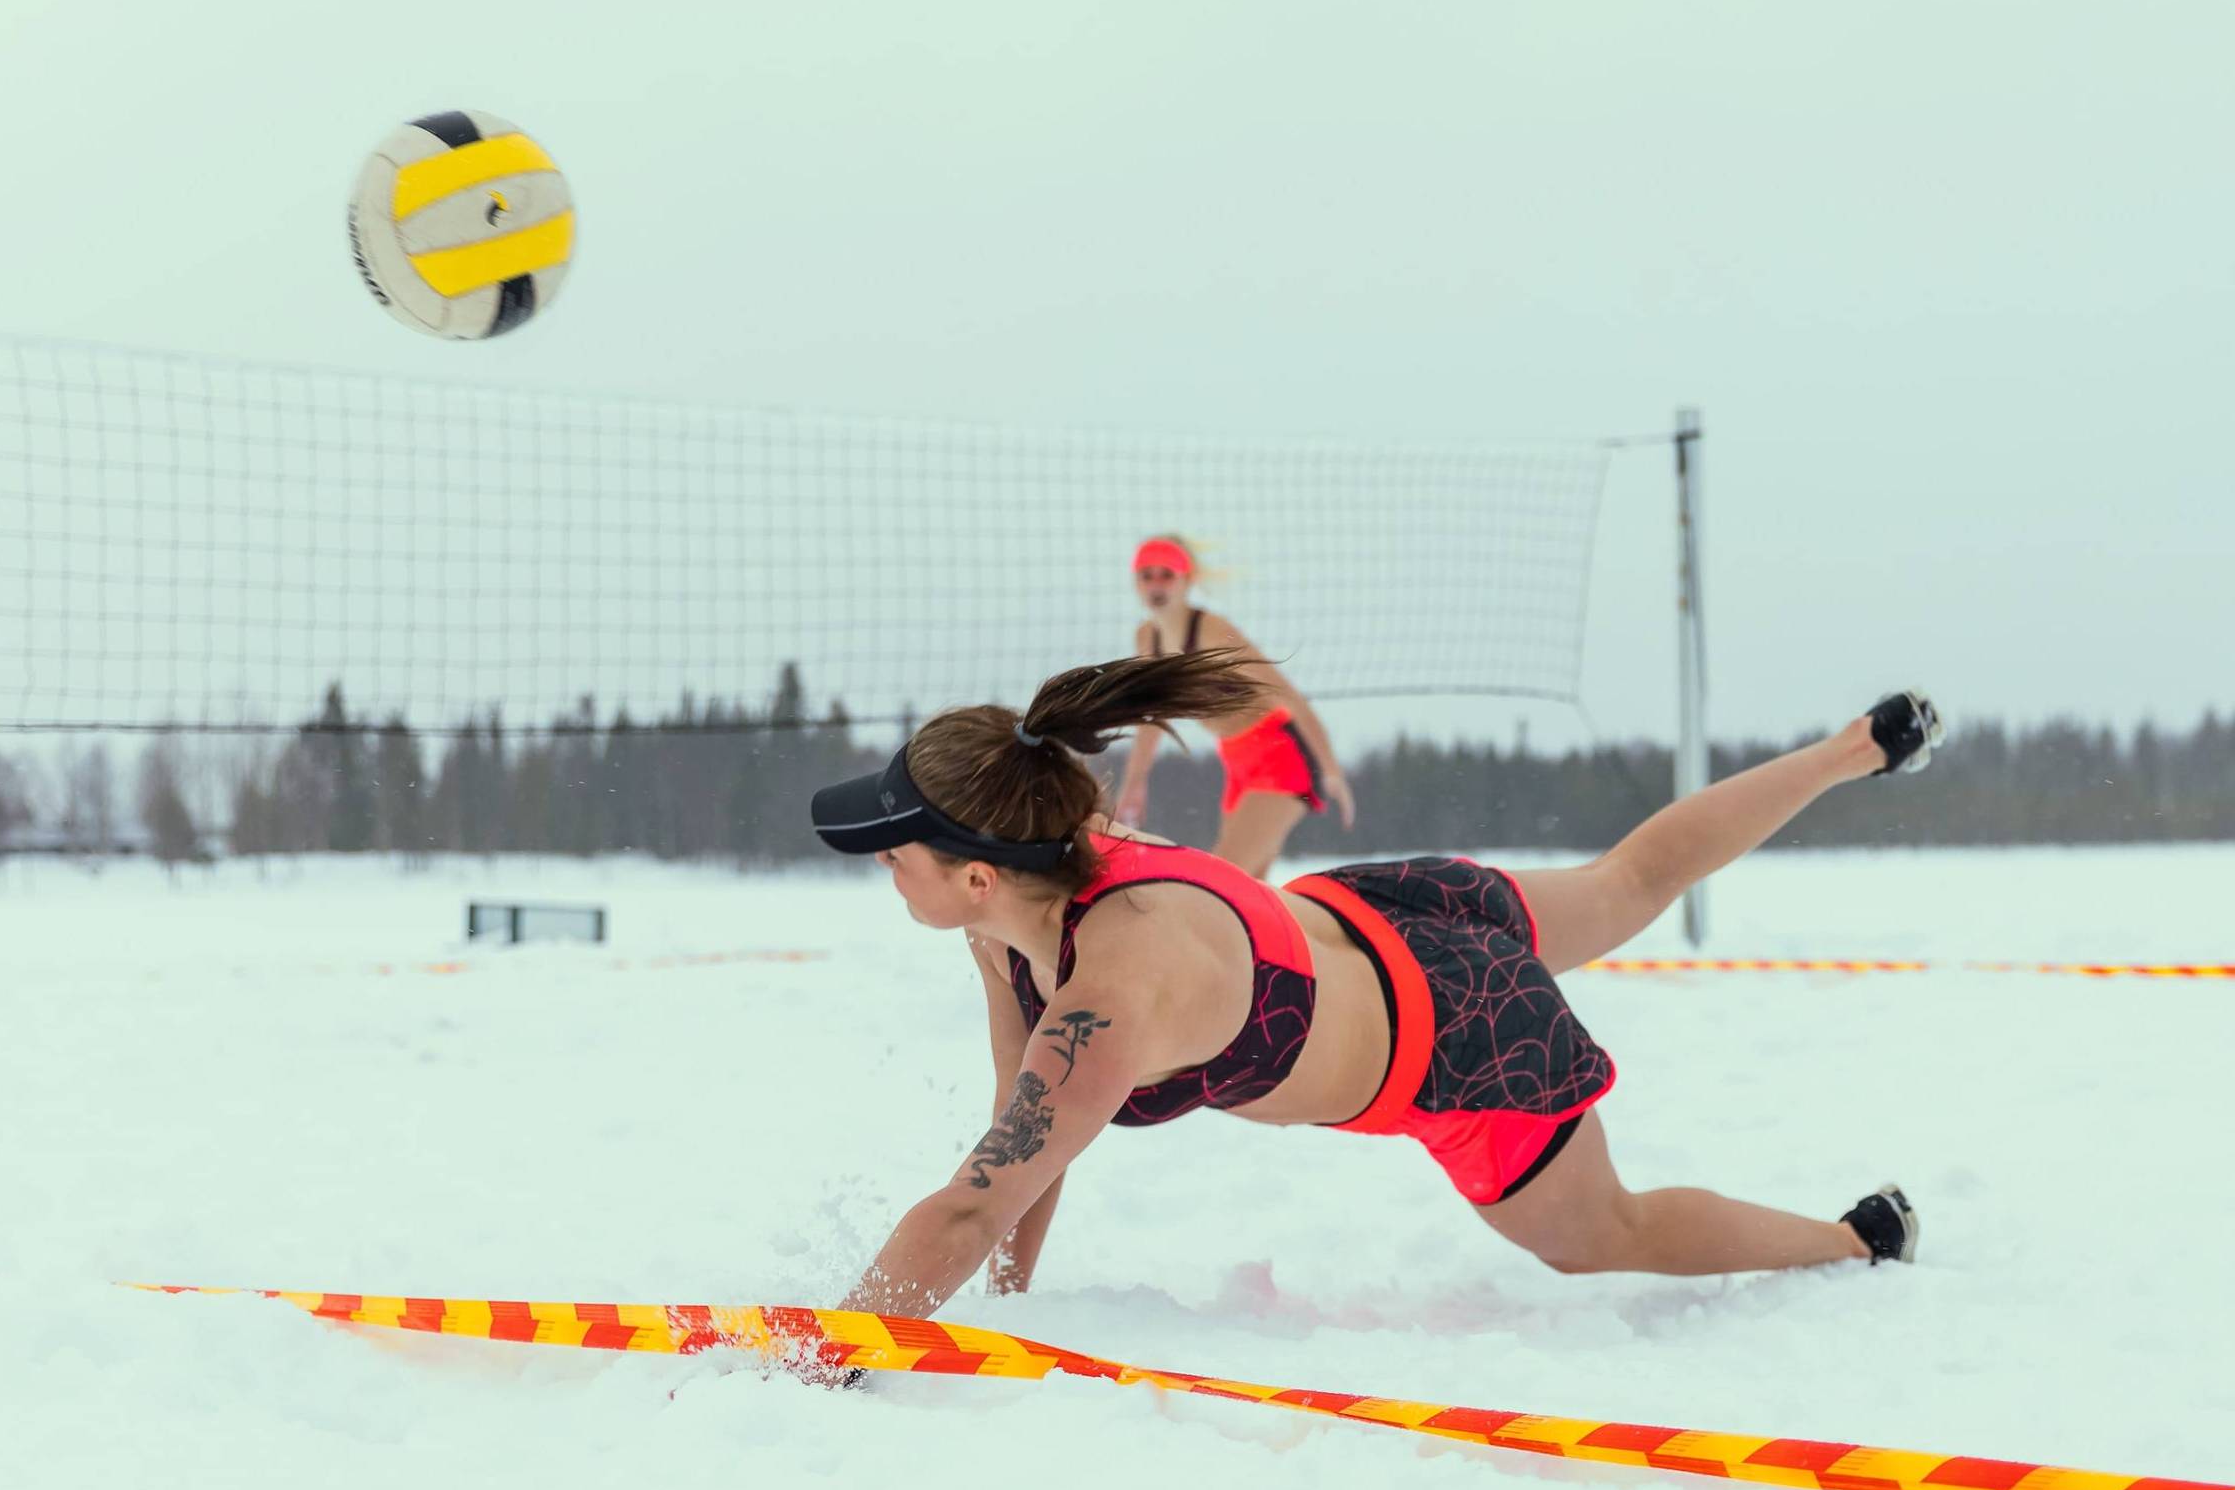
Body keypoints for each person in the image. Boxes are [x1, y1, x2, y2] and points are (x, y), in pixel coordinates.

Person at [809, 649, 1943, 1321]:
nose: (878, 864)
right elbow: (1024, 1144)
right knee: (1629, 878)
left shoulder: (1115, 985)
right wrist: (1003, 1316)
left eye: (893, 850)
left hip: (1455, 1040)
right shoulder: (1039, 863)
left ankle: (1856, 1242)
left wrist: (830, 1357)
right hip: (1385, 910)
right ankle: (1858, 747)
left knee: (1601, 1232)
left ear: (968, 877)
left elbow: (977, 1197)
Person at [1114, 535, 1354, 876]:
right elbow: (1152, 718)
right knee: (1249, 897)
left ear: (1187, 581)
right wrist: (1134, 783)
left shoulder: (1210, 629)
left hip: (1280, 755)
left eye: (1166, 574)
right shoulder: (1147, 638)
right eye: (1146, 575)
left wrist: (1331, 770)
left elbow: (1288, 695)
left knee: (1221, 882)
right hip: (1236, 761)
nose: (1156, 584)